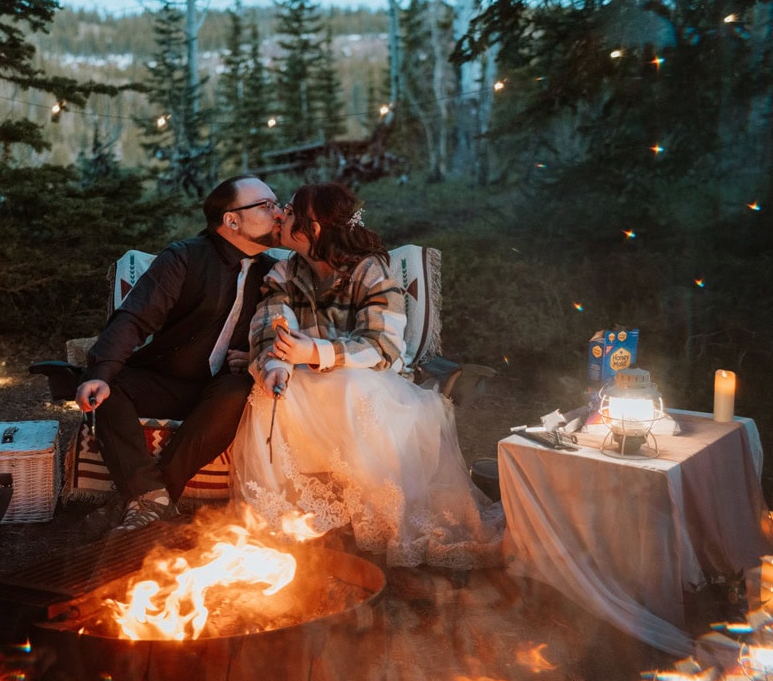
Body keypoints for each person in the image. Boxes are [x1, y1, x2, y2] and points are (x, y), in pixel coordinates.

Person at [231, 183, 505, 569]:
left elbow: (382, 345)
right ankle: (297, 524)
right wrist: (274, 362)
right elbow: (270, 324)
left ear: (316, 228)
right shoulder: (285, 271)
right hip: (308, 378)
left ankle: (381, 525)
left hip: (373, 380)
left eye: (290, 211)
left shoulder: (369, 269)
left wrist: (313, 351)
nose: (280, 215)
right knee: (273, 394)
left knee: (350, 387)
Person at [75, 176, 284, 531]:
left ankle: (149, 495)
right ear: (231, 219)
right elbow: (134, 318)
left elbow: (282, 329)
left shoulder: (275, 272)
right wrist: (100, 372)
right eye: (266, 206)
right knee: (112, 383)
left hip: (220, 396)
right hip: (170, 381)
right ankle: (152, 497)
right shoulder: (184, 257)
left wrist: (252, 355)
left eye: (277, 205)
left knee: (238, 390)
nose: (278, 213)